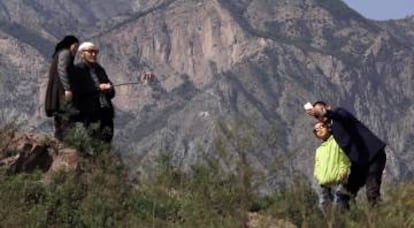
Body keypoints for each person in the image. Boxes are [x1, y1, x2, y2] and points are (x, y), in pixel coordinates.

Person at [306, 101, 386, 206]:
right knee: (343, 195)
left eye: (320, 110)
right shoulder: (332, 131)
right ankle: (351, 220)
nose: (320, 115)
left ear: (327, 107)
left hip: (373, 156)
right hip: (359, 164)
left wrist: (324, 113)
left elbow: (337, 115)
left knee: (372, 193)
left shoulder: (340, 113)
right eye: (317, 115)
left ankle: (380, 217)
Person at [72, 42, 115, 143]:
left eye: (95, 52)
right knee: (93, 141)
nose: (94, 54)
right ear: (82, 54)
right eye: (91, 52)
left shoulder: (100, 69)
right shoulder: (78, 70)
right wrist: (98, 88)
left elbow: (111, 89)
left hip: (105, 112)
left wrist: (109, 89)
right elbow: (80, 90)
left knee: (107, 141)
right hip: (90, 113)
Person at [44, 35, 79, 140]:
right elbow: (62, 70)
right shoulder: (65, 53)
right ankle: (67, 144)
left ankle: (59, 142)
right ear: (70, 44)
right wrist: (67, 89)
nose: (76, 49)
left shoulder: (58, 54)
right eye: (75, 46)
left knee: (59, 119)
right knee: (66, 118)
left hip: (56, 91)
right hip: (61, 91)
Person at [312, 121, 351, 212]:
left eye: (321, 127)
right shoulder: (319, 150)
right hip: (324, 184)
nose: (319, 130)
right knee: (325, 207)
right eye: (316, 130)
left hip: (339, 181)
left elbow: (345, 158)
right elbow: (317, 165)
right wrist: (317, 175)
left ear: (328, 128)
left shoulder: (337, 142)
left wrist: (343, 171)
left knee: (341, 206)